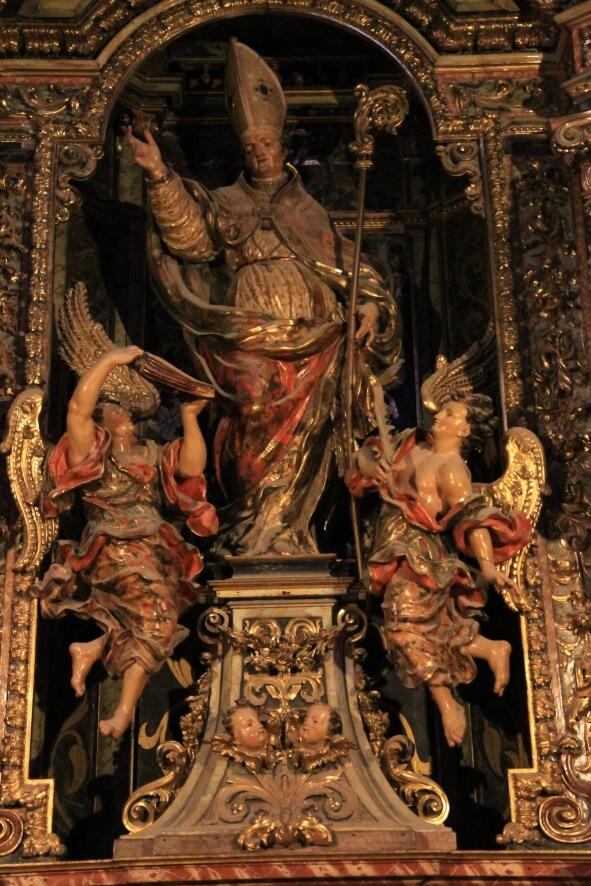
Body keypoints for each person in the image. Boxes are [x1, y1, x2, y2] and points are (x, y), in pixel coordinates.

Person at [127, 39, 400, 556]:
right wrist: (159, 173)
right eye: (250, 147)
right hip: (248, 332)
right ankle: (248, 522)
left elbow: (353, 272)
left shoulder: (310, 213)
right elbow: (191, 239)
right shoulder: (226, 203)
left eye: (267, 145)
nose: (259, 153)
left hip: (314, 340)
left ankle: (288, 531)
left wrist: (367, 304)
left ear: (283, 148)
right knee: (251, 404)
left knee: (313, 426)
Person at [34, 346, 218, 738]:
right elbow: (77, 409)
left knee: (152, 621)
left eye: (127, 408)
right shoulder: (93, 452)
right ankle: (122, 711)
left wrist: (189, 417)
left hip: (155, 548)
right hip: (114, 546)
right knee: (157, 620)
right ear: (104, 414)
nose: (126, 413)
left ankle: (94, 649)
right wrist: (109, 361)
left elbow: (192, 466)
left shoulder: (152, 452)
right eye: (116, 406)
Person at [348, 394, 531, 748]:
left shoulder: (452, 470)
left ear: (464, 429)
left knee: (404, 629)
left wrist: (488, 568)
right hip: (390, 546)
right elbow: (363, 455)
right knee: (427, 630)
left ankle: (450, 701)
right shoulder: (411, 443)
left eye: (449, 414)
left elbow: (472, 519)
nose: (438, 416)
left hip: (419, 555)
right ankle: (488, 650)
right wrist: (372, 466)